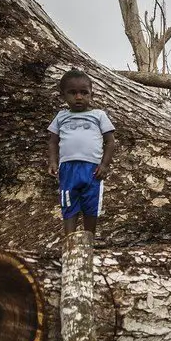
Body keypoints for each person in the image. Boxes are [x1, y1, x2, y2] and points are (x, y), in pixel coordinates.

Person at [47, 69, 117, 236]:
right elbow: (52, 141)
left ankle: (89, 240)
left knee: (91, 205)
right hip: (68, 169)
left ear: (91, 94)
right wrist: (52, 161)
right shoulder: (61, 116)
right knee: (68, 204)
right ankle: (69, 241)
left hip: (92, 170)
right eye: (72, 93)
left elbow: (110, 141)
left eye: (84, 93)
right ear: (63, 95)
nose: (78, 97)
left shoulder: (98, 115)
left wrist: (105, 165)